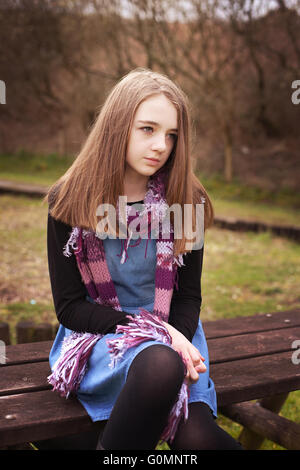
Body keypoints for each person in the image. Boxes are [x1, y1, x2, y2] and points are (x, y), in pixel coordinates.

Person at [42, 68, 243, 451]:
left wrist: (173, 336)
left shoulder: (187, 199)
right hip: (102, 338)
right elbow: (69, 308)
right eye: (147, 129)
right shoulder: (68, 200)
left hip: (177, 333)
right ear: (117, 126)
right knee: (159, 362)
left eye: (171, 135)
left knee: (198, 437)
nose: (161, 146)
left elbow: (187, 297)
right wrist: (155, 335)